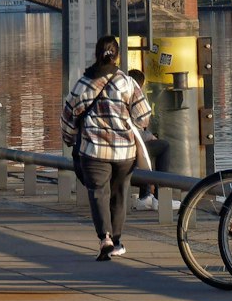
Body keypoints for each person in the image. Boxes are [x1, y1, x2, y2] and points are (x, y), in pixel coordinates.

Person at [61, 36, 153, 261]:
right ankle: (118, 240)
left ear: (96, 54)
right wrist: (131, 123)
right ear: (118, 55)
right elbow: (144, 117)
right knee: (120, 193)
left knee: (99, 194)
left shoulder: (83, 84)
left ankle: (105, 238)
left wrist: (70, 138)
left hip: (93, 152)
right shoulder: (127, 82)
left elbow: (68, 117)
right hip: (124, 152)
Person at [126, 68, 164, 212]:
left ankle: (146, 194)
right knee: (162, 147)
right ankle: (158, 197)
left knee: (145, 150)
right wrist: (150, 136)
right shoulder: (134, 94)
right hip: (128, 147)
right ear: (140, 85)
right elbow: (142, 123)